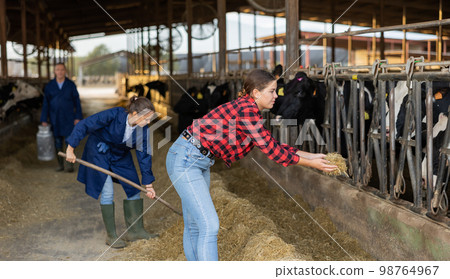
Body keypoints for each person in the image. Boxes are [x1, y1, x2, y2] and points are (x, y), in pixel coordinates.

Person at [166, 69, 337, 261]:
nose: (276, 96)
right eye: (272, 91)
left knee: (195, 225)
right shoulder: (247, 111)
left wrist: (313, 156)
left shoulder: (249, 110)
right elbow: (274, 153)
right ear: (256, 93)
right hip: (187, 158)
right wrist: (313, 164)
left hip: (195, 159)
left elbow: (274, 146)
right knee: (209, 225)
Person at [64, 96, 158, 248]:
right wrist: (70, 148)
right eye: (146, 119)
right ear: (134, 114)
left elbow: (144, 155)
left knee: (134, 187)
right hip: (98, 152)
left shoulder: (143, 130)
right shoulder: (114, 114)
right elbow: (85, 124)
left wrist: (148, 184)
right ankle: (111, 235)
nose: (148, 123)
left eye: (149, 119)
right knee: (107, 191)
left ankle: (135, 231)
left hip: (120, 155)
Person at [40, 63, 83, 172]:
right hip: (55, 118)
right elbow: (46, 104)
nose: (60, 72)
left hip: (68, 118)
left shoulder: (71, 85)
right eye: (57, 70)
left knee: (70, 141)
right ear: (54, 71)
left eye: (62, 70)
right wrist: (44, 119)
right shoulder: (50, 86)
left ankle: (70, 165)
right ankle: (60, 165)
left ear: (65, 71)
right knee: (58, 142)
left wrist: (77, 116)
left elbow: (77, 102)